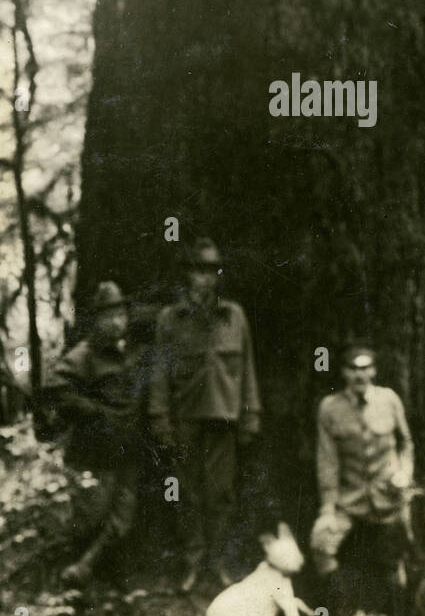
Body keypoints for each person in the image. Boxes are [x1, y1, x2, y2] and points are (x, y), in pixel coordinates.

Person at [148, 238, 262, 592]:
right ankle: (192, 563)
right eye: (199, 271)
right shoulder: (170, 319)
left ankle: (218, 561)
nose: (205, 279)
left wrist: (252, 414)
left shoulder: (234, 316)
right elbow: (159, 373)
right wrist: (159, 417)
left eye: (212, 271)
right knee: (186, 494)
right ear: (187, 275)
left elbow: (247, 368)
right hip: (185, 419)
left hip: (224, 419)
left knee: (221, 494)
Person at [45, 281, 145, 587]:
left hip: (127, 447)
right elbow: (55, 386)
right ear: (97, 320)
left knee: (123, 516)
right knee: (92, 515)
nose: (116, 322)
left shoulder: (128, 352)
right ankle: (76, 577)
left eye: (120, 315)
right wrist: (92, 411)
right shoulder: (85, 354)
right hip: (96, 450)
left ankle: (92, 569)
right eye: (108, 316)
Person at [310, 342, 414, 615]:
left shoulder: (389, 400)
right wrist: (328, 508)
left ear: (374, 371)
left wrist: (404, 473)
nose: (359, 375)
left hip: (389, 499)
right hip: (350, 499)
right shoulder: (330, 408)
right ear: (344, 373)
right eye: (352, 369)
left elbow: (406, 444)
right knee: (321, 543)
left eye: (365, 368)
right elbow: (327, 461)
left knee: (396, 557)